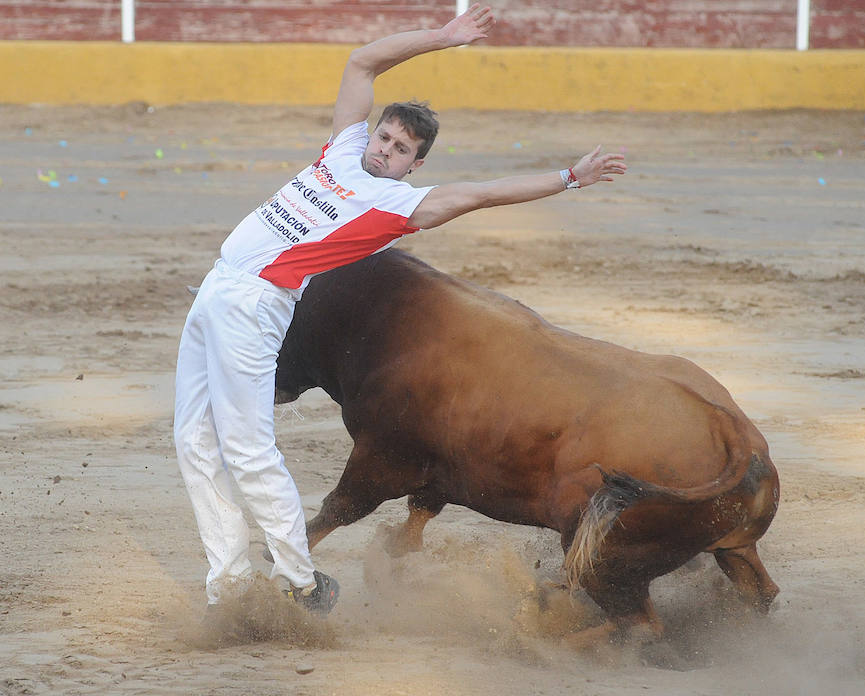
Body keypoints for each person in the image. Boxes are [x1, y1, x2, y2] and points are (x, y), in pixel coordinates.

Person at [173, 3, 626, 619]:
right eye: (384, 137)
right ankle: (227, 585)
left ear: (415, 165)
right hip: (217, 285)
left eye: (400, 148)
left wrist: (570, 176)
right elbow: (362, 61)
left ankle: (300, 582)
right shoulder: (342, 150)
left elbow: (483, 194)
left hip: (256, 304)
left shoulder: (398, 205)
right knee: (194, 441)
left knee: (248, 450)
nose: (385, 149)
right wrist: (442, 37)